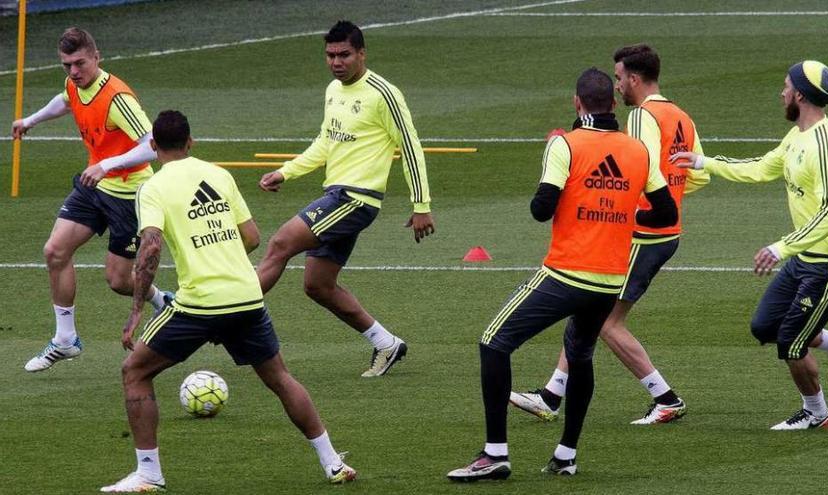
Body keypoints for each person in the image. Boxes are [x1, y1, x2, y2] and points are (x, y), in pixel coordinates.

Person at [100, 111, 356, 492]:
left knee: (134, 372)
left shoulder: (152, 188)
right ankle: (332, 461)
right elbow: (251, 236)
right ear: (191, 142)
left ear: (153, 146)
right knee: (280, 378)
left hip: (198, 304)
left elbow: (150, 245)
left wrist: (137, 309)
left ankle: (149, 474)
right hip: (247, 296)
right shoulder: (219, 174)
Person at [447, 68, 677, 481]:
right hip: (609, 279)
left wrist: (553, 162)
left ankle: (495, 453)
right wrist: (623, 214)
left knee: (493, 343)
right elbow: (666, 212)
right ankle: (566, 455)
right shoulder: (638, 151)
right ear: (612, 103)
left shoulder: (565, 146)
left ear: (577, 103)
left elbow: (540, 209)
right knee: (581, 355)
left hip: (567, 274)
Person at [510, 44, 710, 425]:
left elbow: (634, 166)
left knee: (602, 320)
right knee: (589, 309)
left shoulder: (641, 117)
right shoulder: (679, 115)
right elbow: (696, 174)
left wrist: (614, 206)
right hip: (667, 230)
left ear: (634, 78)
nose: (616, 87)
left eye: (619, 78)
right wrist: (670, 196)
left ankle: (665, 397)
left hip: (642, 233)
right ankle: (552, 395)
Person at [673, 61, 828, 430]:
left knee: (791, 343)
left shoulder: (827, 146)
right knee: (766, 327)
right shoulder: (797, 135)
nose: (780, 93)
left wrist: (782, 247)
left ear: (799, 94)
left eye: (785, 86)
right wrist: (705, 162)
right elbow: (762, 167)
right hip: (807, 257)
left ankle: (817, 413)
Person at [256, 20, 434, 378]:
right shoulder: (333, 91)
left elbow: (411, 147)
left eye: (344, 55)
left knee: (279, 244)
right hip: (336, 195)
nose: (337, 62)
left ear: (361, 54)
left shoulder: (383, 94)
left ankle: (225, 313)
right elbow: (326, 141)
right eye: (330, 55)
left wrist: (421, 205)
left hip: (355, 199)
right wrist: (286, 171)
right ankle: (387, 343)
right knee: (318, 286)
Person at [11, 27, 167, 372]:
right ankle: (66, 340)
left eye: (79, 63)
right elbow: (66, 100)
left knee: (119, 281)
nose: (73, 71)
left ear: (96, 57)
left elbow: (151, 146)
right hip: (94, 185)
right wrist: (31, 120)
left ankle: (162, 301)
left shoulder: (117, 98)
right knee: (55, 251)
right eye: (67, 65)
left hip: (129, 194)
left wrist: (106, 164)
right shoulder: (74, 83)